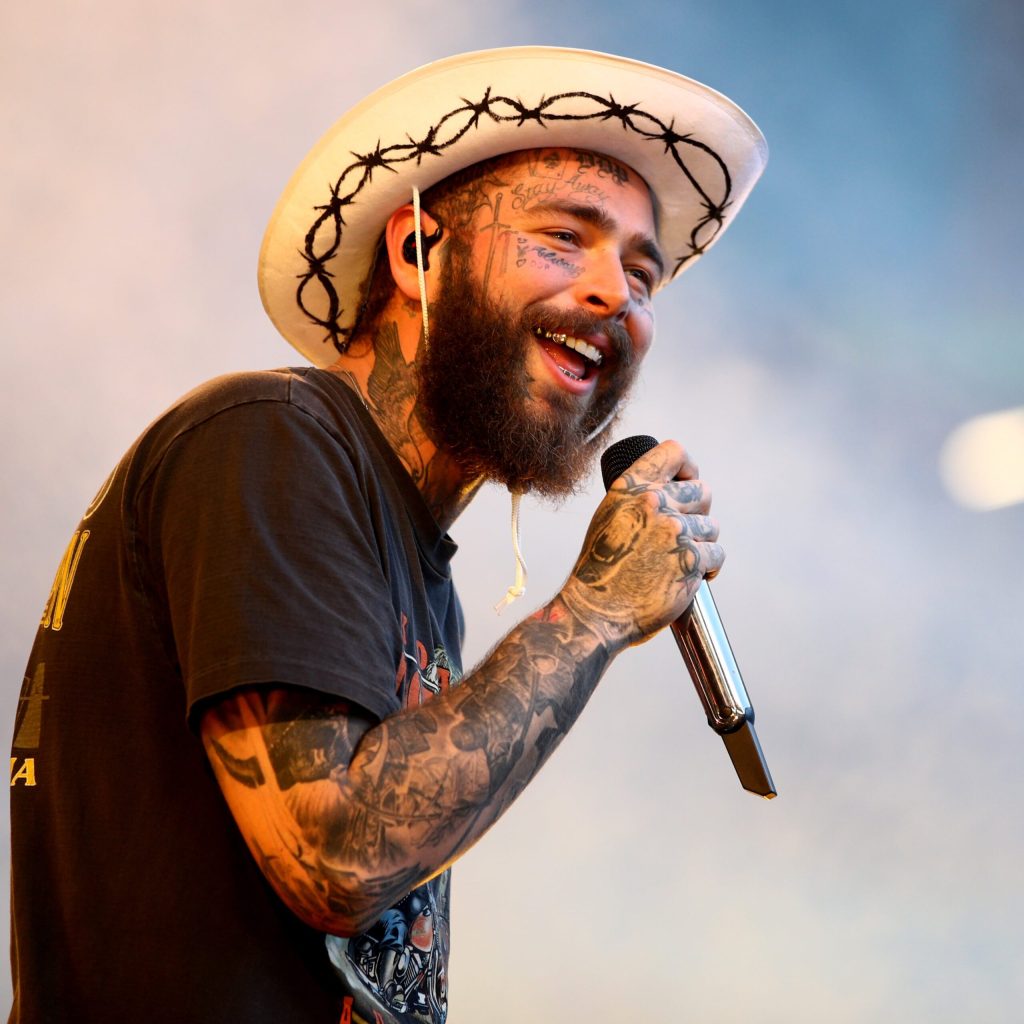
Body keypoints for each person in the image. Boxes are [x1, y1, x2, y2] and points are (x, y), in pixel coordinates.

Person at [8, 46, 766, 1023]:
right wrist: (595, 611)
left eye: (642, 272)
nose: (613, 292)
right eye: (562, 238)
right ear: (416, 254)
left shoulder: (413, 568)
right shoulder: (267, 438)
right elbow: (330, 856)